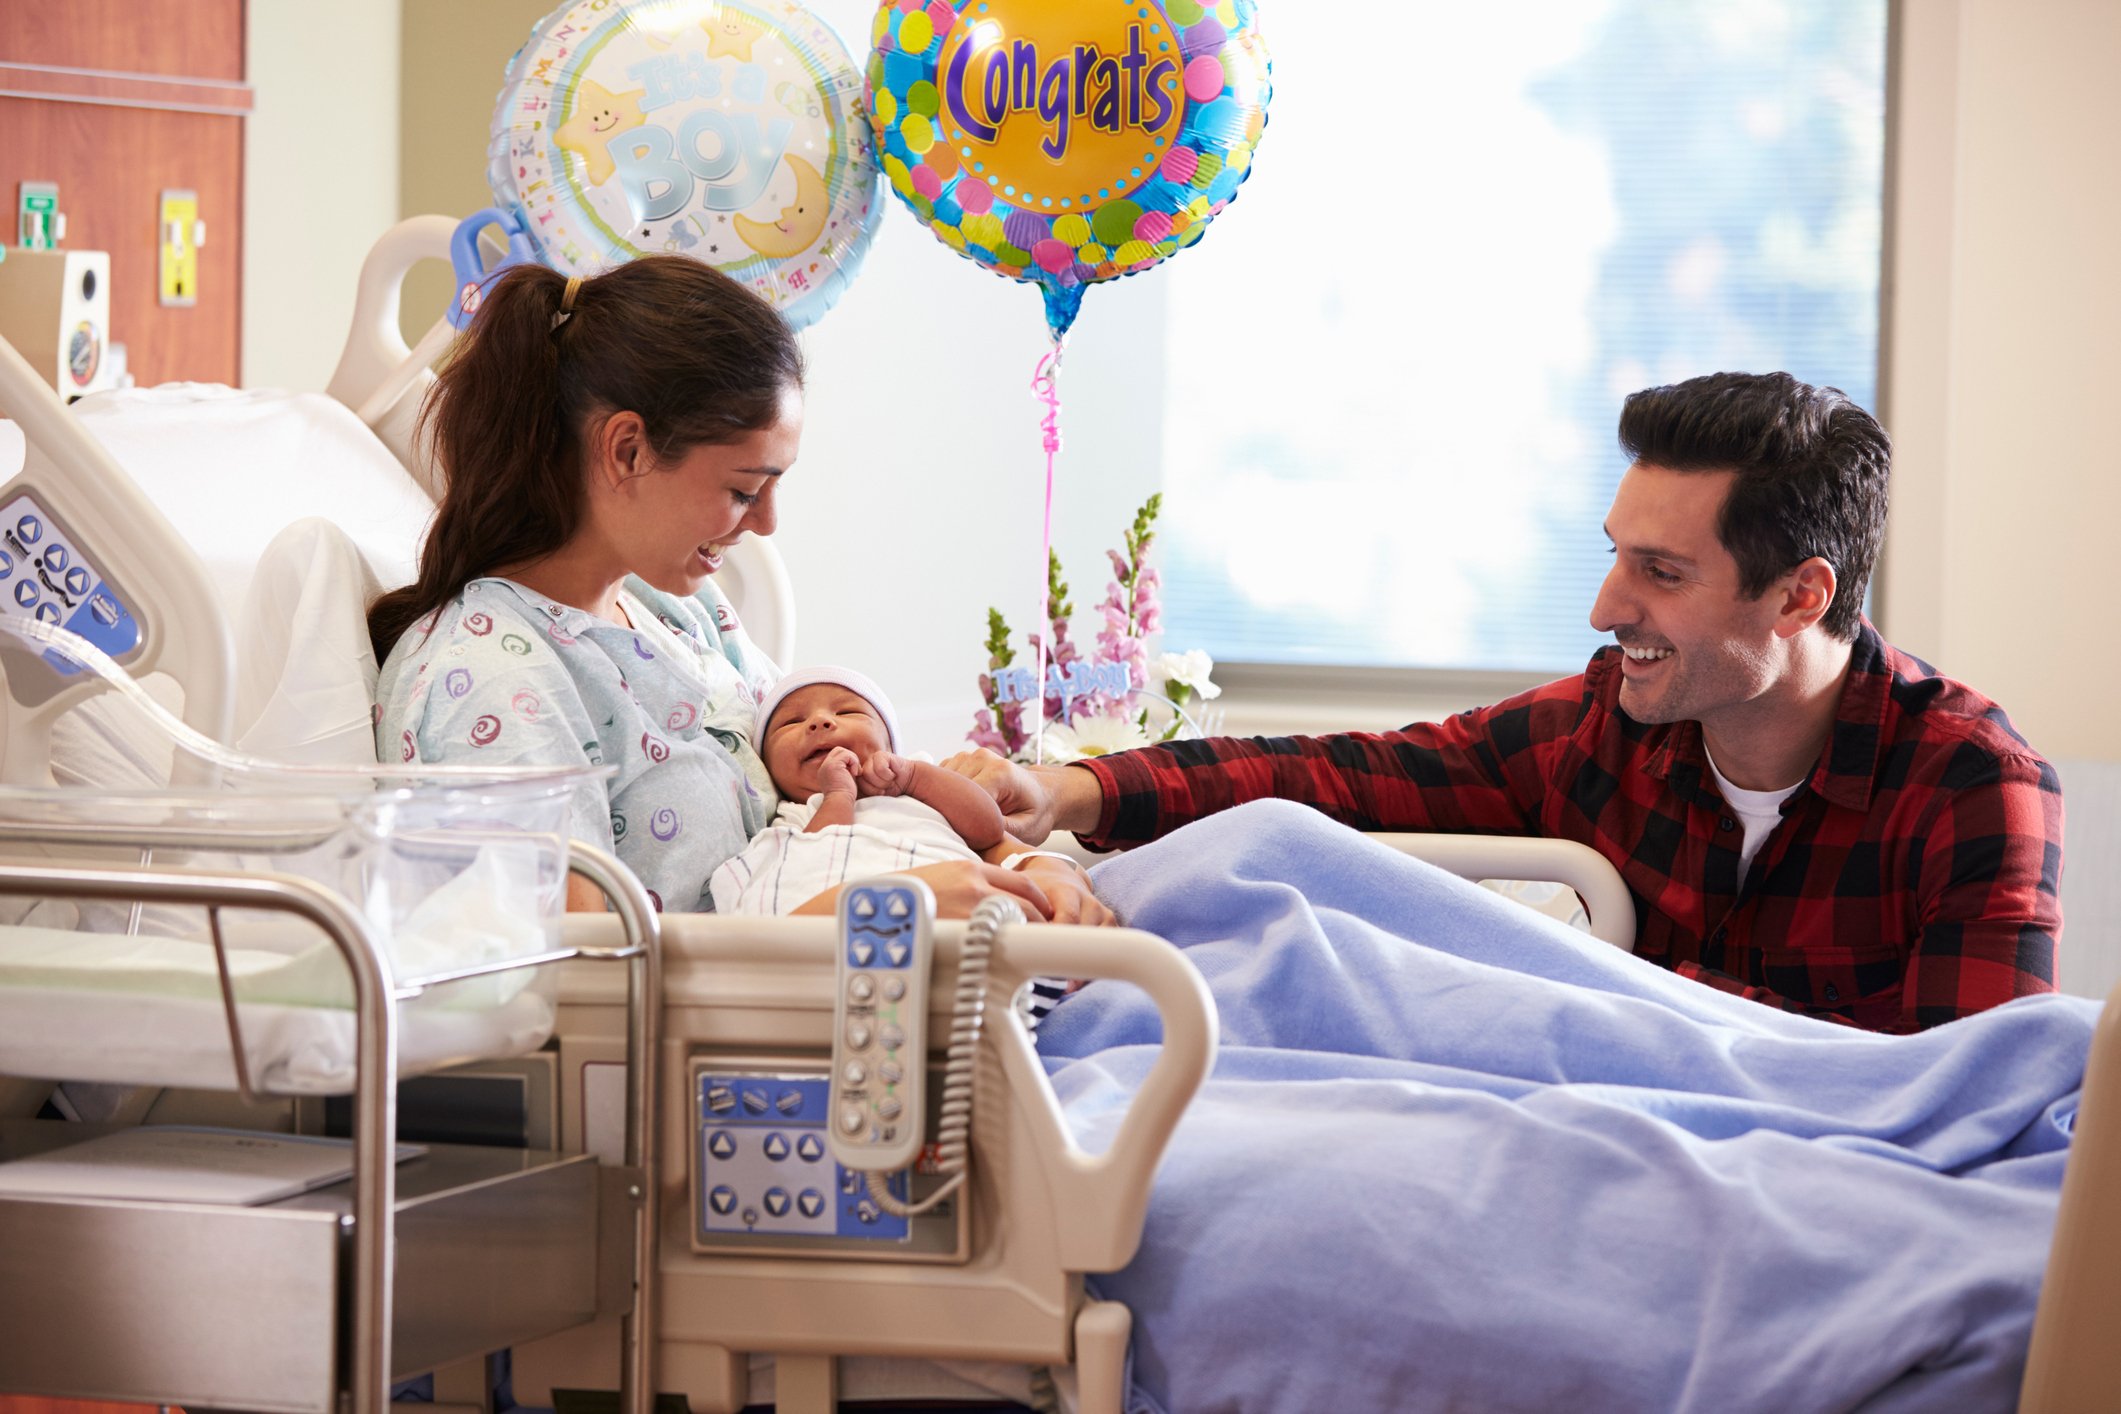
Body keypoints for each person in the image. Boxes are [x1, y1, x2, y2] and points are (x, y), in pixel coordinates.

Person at [948, 372, 2065, 1033]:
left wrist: (1616, 985)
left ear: (1800, 595)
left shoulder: (1969, 787)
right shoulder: (1610, 726)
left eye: (1661, 574)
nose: (1603, 608)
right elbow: (1350, 777)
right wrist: (1067, 790)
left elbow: (1969, 1104)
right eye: (1616, 555)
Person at [369, 256, 1099, 923]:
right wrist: (864, 917)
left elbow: (841, 808)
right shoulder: (494, 682)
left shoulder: (675, 612)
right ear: (626, 450)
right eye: (745, 488)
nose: (767, 521)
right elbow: (575, 981)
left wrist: (1025, 865)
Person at [709, 665, 1113, 930]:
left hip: (974, 920)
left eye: (848, 712)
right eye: (791, 723)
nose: (819, 721)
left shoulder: (922, 785)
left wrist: (916, 776)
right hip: (876, 935)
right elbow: (816, 858)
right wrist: (838, 796)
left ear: (891, 743)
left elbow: (988, 828)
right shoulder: (794, 819)